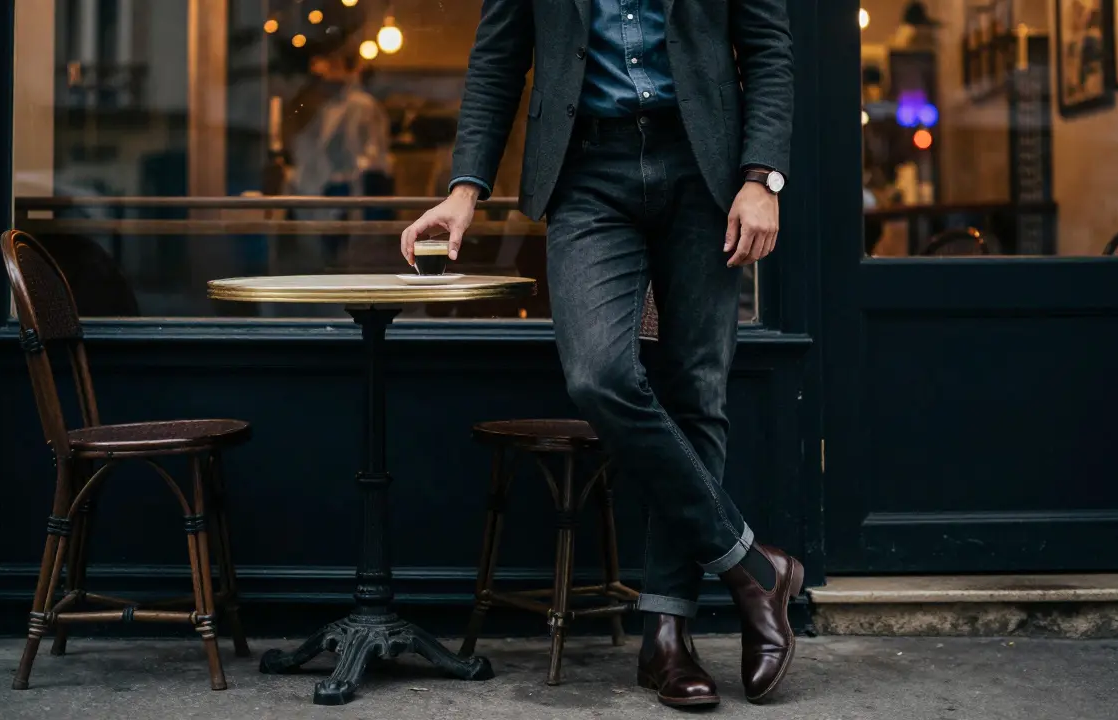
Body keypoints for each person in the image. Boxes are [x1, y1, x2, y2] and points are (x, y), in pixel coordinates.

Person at [401, 0, 801, 709]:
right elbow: (498, 57)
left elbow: (769, 50)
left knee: (696, 393)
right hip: (586, 168)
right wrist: (467, 190)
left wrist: (762, 177)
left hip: (704, 165)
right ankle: (751, 567)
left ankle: (666, 639)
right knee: (599, 375)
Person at [289, 45, 393, 269]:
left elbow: (372, 149)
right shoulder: (328, 106)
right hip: (332, 184)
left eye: (334, 66)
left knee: (361, 253)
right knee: (331, 250)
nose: (326, 74)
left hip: (354, 184)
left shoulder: (361, 105)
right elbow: (309, 144)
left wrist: (360, 173)